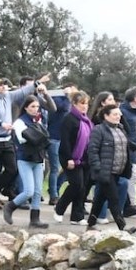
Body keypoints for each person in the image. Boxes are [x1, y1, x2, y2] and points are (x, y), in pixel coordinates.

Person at [0, 73, 51, 213]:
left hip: (6, 139)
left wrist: (37, 82)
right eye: (0, 85)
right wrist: (1, 123)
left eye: (3, 84)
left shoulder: (7, 95)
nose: (3, 87)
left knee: (12, 169)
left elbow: (23, 91)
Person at [85, 104, 136, 233]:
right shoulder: (99, 130)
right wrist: (98, 167)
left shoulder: (120, 129)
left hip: (118, 171)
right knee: (114, 199)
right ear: (106, 116)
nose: (118, 116)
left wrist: (135, 147)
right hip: (105, 171)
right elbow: (92, 150)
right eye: (115, 114)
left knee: (100, 199)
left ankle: (91, 223)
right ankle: (122, 226)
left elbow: (123, 143)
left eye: (119, 114)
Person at [3, 98, 50, 228]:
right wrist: (40, 137)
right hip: (25, 159)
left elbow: (44, 139)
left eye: (37, 107)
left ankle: (35, 219)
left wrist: (41, 137)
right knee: (28, 191)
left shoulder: (38, 120)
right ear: (26, 107)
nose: (36, 109)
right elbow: (30, 139)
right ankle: (10, 206)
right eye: (33, 106)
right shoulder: (19, 122)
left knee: (37, 191)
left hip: (38, 159)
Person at [53, 91, 92, 225]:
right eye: (82, 103)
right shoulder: (69, 119)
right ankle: (59, 208)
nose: (85, 106)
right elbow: (65, 141)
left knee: (82, 187)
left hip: (84, 159)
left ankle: (77, 216)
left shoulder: (86, 120)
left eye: (86, 103)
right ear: (74, 104)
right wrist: (69, 158)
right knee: (76, 184)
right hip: (70, 158)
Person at [46, 83, 76, 204]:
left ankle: (55, 188)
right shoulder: (58, 100)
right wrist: (67, 96)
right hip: (54, 138)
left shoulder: (70, 101)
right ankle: (53, 195)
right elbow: (62, 108)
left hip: (64, 139)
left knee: (66, 168)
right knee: (55, 168)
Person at [120, 87, 136, 215]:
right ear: (135, 98)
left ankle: (129, 202)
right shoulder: (122, 111)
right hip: (128, 149)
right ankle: (131, 204)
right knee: (132, 177)